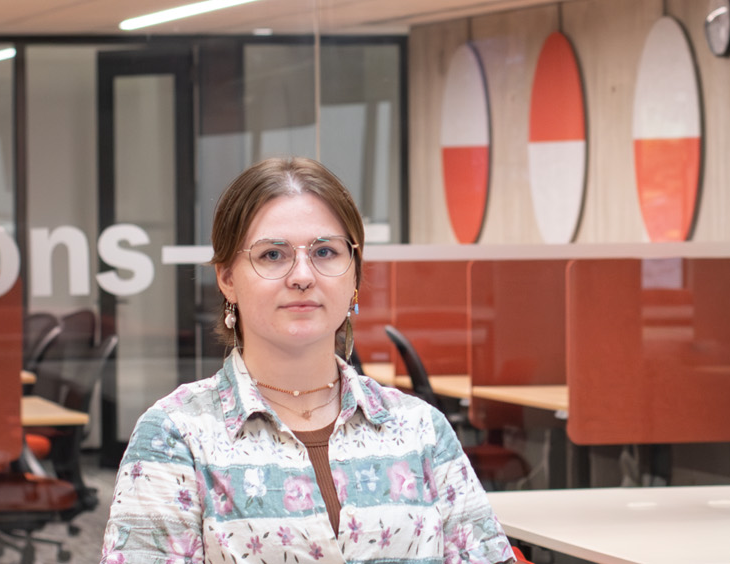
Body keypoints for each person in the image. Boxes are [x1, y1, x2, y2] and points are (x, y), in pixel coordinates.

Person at [100, 157, 516, 564]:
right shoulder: (176, 435)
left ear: (354, 275)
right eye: (272, 255)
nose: (302, 276)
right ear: (227, 279)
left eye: (325, 252)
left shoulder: (420, 429)